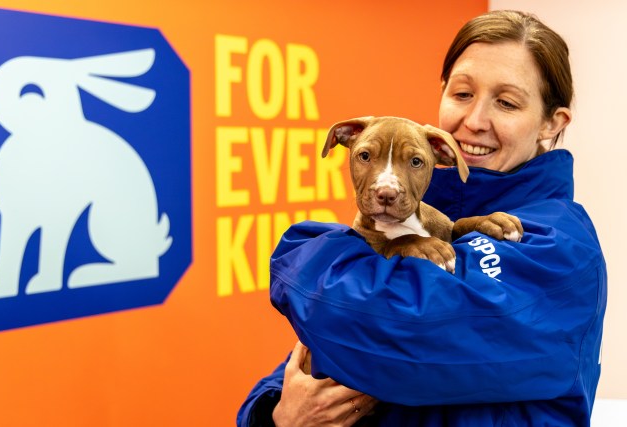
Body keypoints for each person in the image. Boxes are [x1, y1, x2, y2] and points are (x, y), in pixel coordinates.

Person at [237, 9, 607, 427]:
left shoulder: (558, 247)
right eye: (462, 94)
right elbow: (310, 356)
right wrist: (276, 414)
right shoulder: (421, 209)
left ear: (550, 123)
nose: (474, 121)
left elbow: (392, 330)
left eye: (506, 102)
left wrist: (301, 255)